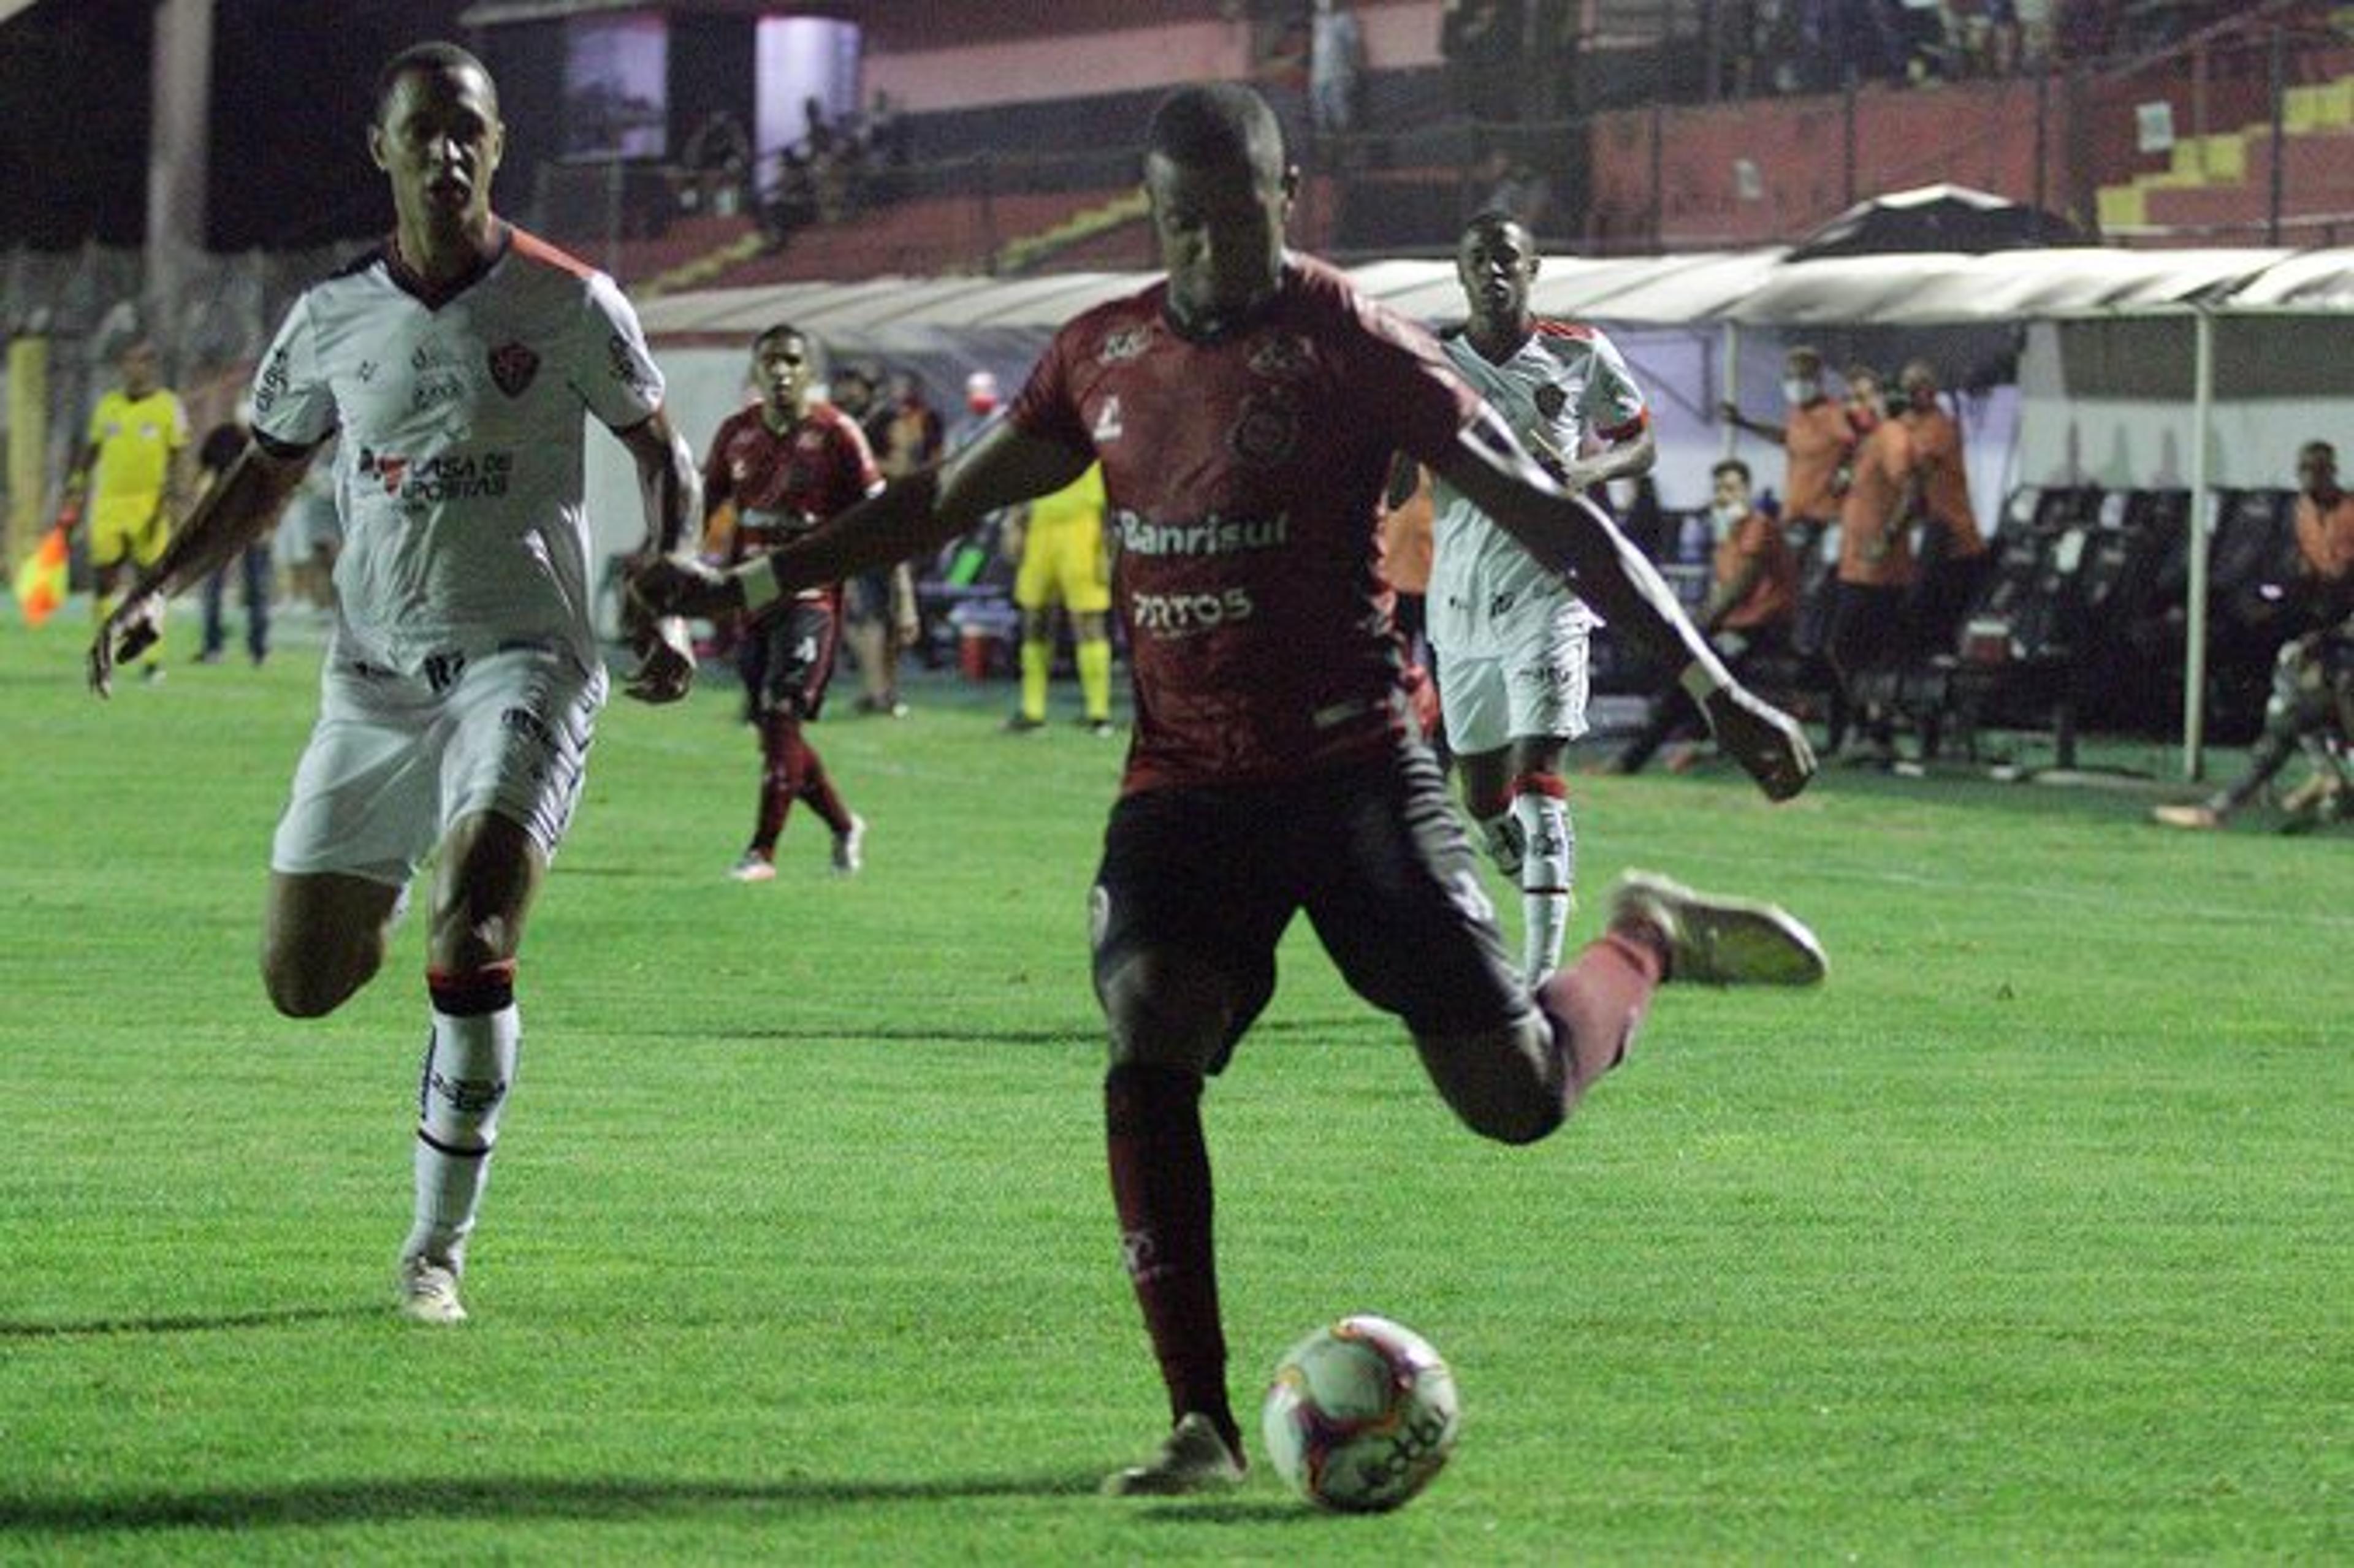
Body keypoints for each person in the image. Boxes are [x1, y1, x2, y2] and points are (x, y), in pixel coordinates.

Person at [629, 81, 1823, 1497]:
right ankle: (1195, 1419)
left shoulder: (1350, 344)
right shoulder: (1098, 353)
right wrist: (745, 581)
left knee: (1511, 1097)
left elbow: (1549, 511)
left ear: (1287, 197)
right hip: (1186, 783)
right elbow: (936, 502)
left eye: (1235, 215)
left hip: (1352, 770)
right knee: (1148, 1036)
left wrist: (1709, 685)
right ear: (1155, 217)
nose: (1207, 247)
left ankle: (1645, 936)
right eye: (1180, 222)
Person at [85, 41, 701, 1326]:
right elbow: (264, 471)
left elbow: (659, 445)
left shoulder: (570, 300)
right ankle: (437, 886)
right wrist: (157, 588)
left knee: (474, 928)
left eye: (466, 128)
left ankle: (435, 1250)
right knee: (302, 981)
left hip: (523, 658)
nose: (446, 150)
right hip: (375, 681)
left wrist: (669, 569)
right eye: (420, 131)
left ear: (498, 143)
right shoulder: (329, 321)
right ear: (383, 150)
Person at [1425, 209, 1657, 986]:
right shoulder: (1431, 363)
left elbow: (1639, 438)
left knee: (1540, 769)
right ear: (1460, 274)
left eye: (1507, 259)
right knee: (1483, 793)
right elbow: (1394, 481)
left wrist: (1587, 472)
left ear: (1533, 268)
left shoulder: (1578, 352)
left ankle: (1536, 981)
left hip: (1550, 591)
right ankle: (1502, 840)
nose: (1493, 271)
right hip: (1460, 599)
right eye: (1478, 260)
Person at [700, 323, 880, 881]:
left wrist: (895, 594)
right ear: (756, 371)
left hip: (813, 590)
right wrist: (702, 582)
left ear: (810, 373)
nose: (781, 371)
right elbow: (706, 513)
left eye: (792, 361)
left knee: (783, 710)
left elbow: (880, 516)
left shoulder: (838, 433)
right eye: (770, 361)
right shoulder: (736, 435)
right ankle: (845, 824)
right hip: (754, 592)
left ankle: (762, 852)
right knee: (777, 733)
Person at [2154, 439, 2354, 832]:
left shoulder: (2350, 513)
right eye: (2305, 470)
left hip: (2344, 633)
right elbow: (2315, 576)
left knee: (2299, 702)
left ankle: (2319, 781)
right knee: (2292, 695)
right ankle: (2325, 778)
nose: (2311, 478)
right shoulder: (2304, 513)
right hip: (2335, 628)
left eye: (2318, 469)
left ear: (2332, 471)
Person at [1608, 457, 1800, 774]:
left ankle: (1639, 757)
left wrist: (1694, 627)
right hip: (1735, 628)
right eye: (1720, 488)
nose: (1725, 495)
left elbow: (1737, 590)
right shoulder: (1728, 537)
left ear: (1747, 491)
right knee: (1691, 673)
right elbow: (1722, 594)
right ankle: (1693, 742)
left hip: (1764, 629)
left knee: (1699, 672)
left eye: (1732, 488)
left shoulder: (1758, 528)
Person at [61, 337, 190, 683]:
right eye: (129, 362)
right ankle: (102, 652)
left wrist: (176, 500)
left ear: (152, 367)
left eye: (142, 362)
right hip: (109, 504)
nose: (135, 369)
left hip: (150, 503)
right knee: (105, 580)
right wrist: (76, 487)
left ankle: (152, 660)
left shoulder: (168, 407)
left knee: (150, 583)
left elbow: (179, 457)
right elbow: (91, 451)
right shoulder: (108, 406)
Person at [1826, 368, 1919, 761]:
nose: (1856, 406)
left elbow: (1912, 490)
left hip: (1878, 572)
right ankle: (1870, 729)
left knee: (1848, 649)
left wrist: (1887, 538)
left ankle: (1873, 728)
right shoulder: (1864, 443)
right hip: (1854, 565)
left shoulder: (1892, 436)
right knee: (1855, 653)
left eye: (1864, 397)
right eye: (1851, 397)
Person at [1004, 462, 1116, 734]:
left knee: (1088, 622)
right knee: (1035, 619)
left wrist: (1110, 546)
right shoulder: (1040, 433)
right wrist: (1015, 523)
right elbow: (1022, 474)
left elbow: (1115, 487)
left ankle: (1099, 712)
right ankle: (1033, 709)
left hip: (1084, 526)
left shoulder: (1096, 426)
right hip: (1040, 527)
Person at [845, 368, 932, 716]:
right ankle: (877, 690)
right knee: (866, 615)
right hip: (857, 525)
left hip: (889, 523)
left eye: (852, 386)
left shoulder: (889, 420)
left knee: (890, 616)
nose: (845, 393)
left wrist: (861, 462)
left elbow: (902, 465)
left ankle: (883, 690)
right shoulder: (850, 421)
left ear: (868, 388)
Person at [1895, 359, 1992, 661]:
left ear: (1931, 390)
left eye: (1918, 388)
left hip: (1953, 541)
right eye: (1907, 388)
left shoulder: (1939, 428)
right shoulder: (1907, 425)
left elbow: (1916, 476)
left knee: (1934, 618)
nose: (1911, 394)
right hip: (1928, 538)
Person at [1718, 344, 1855, 546]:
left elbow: (1859, 449)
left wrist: (1846, 473)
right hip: (1792, 514)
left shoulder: (1834, 414)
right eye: (1791, 377)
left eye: (1803, 376)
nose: (1797, 383)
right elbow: (1787, 437)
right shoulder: (1797, 413)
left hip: (1824, 518)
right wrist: (1743, 423)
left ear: (1819, 379)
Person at [194, 410, 272, 667]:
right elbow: (202, 473)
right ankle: (213, 646)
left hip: (253, 520)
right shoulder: (221, 438)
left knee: (256, 588)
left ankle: (258, 649)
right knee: (213, 586)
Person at [1309, 0, 1366, 139]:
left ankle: (1347, 144)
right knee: (1320, 115)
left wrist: (1355, 70)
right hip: (1318, 77)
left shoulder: (1345, 19)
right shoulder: (1317, 21)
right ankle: (1327, 147)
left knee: (1342, 114)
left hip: (1339, 76)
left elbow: (1355, 47)